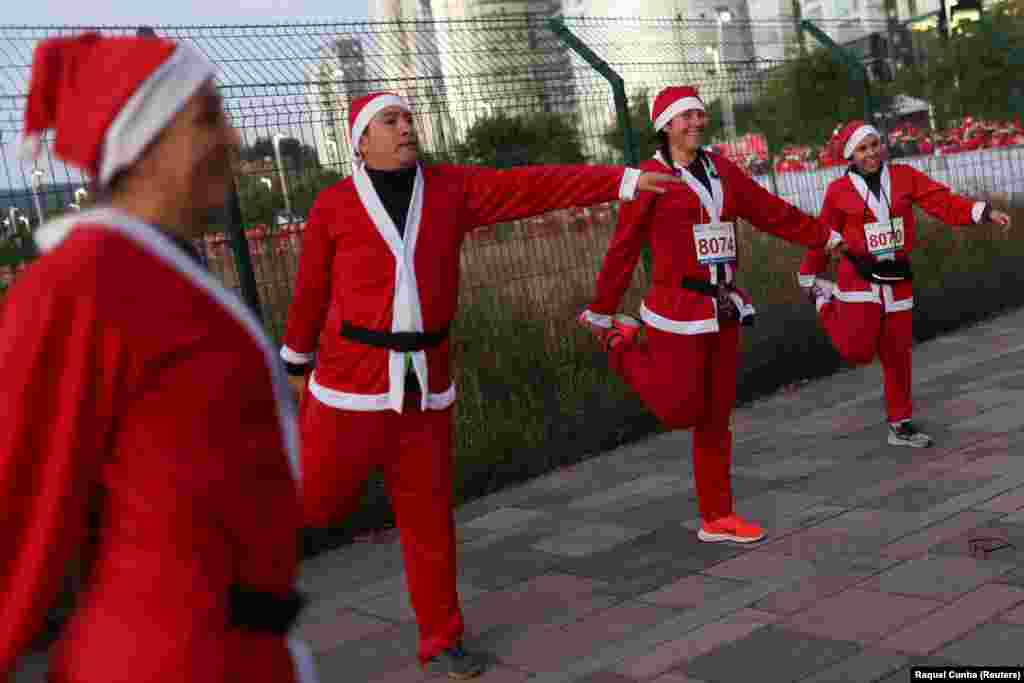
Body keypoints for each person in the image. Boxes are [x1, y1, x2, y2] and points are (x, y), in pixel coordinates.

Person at [279, 90, 680, 679]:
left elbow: (531, 188)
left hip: (425, 388)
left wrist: (621, 181)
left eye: (408, 118)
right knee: (313, 504)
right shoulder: (333, 205)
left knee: (429, 518)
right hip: (349, 386)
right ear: (361, 140)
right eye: (390, 120)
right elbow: (311, 289)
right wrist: (296, 363)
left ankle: (442, 638)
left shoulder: (450, 189)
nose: (406, 127)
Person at [0, 34, 315, 683]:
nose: (233, 139)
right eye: (207, 118)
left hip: (236, 656)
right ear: (143, 147)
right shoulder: (80, 285)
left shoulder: (156, 267)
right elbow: (12, 502)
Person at [576, 86, 844, 545]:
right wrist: (603, 311)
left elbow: (769, 211)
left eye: (700, 115)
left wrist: (823, 237)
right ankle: (622, 346)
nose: (696, 123)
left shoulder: (722, 170)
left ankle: (717, 517)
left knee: (715, 418)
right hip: (674, 311)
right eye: (686, 117)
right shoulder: (649, 178)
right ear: (665, 126)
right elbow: (624, 247)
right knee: (680, 410)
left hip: (723, 307)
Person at [798, 120, 1011, 447]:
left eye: (874, 145)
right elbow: (825, 235)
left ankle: (900, 424)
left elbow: (942, 202)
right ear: (850, 155)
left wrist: (983, 213)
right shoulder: (837, 192)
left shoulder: (904, 177)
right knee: (857, 351)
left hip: (897, 280)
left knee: (897, 354)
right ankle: (825, 300)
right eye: (862, 149)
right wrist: (809, 273)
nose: (871, 153)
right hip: (857, 279)